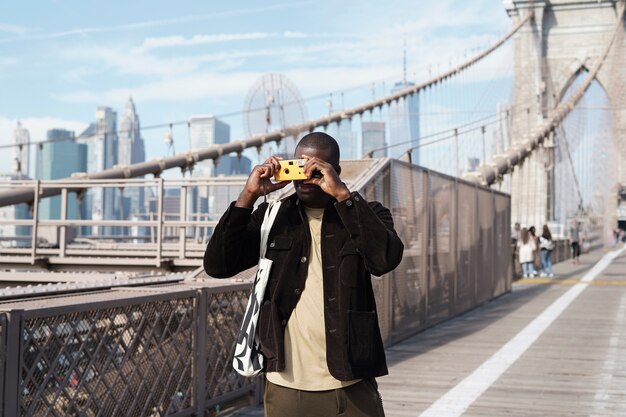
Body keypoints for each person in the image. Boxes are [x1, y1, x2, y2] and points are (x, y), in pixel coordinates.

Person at [204, 132, 404, 417]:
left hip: (351, 381)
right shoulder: (273, 217)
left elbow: (384, 259)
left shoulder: (367, 213)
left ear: (335, 170)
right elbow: (218, 265)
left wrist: (344, 196)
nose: (305, 176)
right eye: (300, 166)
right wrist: (249, 195)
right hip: (286, 385)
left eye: (316, 168)